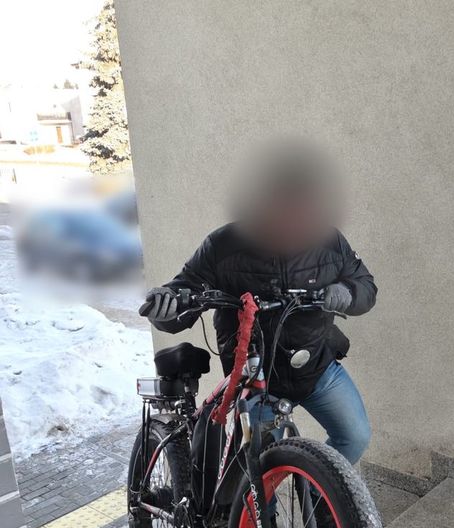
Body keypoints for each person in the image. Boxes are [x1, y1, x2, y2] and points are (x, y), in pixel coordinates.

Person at [139, 139, 377, 465]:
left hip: (316, 366)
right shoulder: (223, 246)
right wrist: (166, 306)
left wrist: (348, 293)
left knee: (355, 435)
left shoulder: (330, 242)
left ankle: (321, 491)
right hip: (256, 378)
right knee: (262, 466)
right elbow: (184, 293)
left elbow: (366, 287)